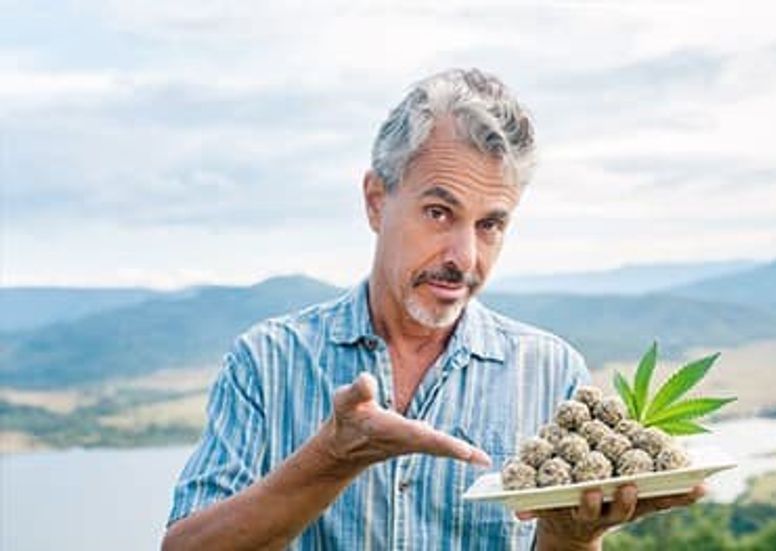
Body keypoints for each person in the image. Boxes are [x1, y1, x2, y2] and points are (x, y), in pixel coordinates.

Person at [162, 68, 703, 551]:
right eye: (439, 212)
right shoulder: (268, 360)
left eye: (490, 224)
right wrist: (332, 458)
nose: (464, 258)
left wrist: (571, 537)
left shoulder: (550, 372)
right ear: (376, 201)